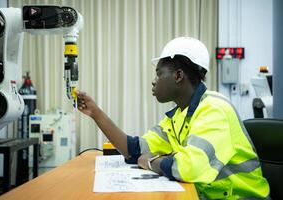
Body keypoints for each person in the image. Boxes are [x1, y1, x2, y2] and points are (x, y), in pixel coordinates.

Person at [77, 37, 270, 199]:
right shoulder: (177, 116)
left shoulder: (214, 109)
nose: (154, 81)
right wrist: (95, 113)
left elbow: (189, 167)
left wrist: (153, 162)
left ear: (178, 75)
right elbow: (135, 150)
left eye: (159, 73)